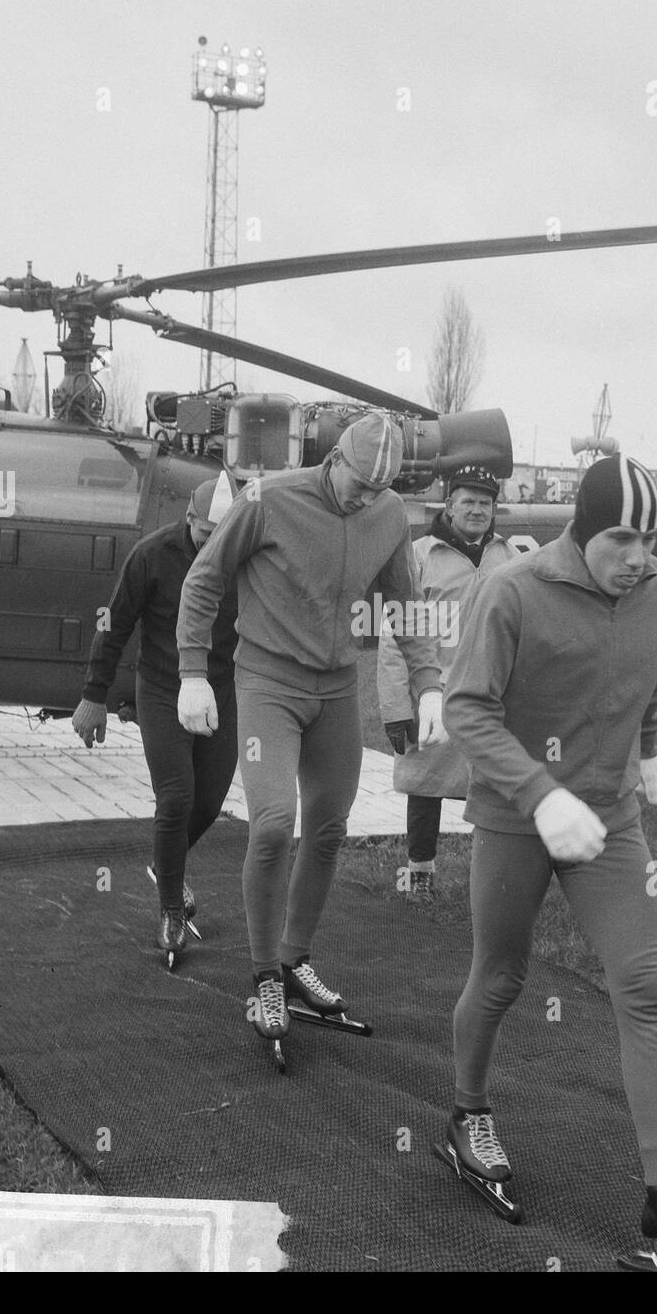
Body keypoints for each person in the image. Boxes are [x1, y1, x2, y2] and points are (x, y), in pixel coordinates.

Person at [440, 452, 657, 1263]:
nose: (637, 557)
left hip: (609, 816)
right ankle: (469, 1113)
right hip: (515, 814)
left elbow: (655, 672)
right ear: (581, 529)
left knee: (645, 986)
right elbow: (465, 707)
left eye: (649, 538)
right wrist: (542, 795)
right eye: (620, 538)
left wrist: (648, 746)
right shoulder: (509, 591)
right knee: (500, 975)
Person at [176, 412, 444, 1044]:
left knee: (328, 827)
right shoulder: (268, 499)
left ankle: (295, 959)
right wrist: (192, 671)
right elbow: (204, 579)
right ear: (335, 460)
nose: (364, 498)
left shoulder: (385, 516)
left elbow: (405, 606)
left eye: (380, 490)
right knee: (272, 824)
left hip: (336, 687)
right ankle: (264, 970)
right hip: (268, 682)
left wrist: (429, 684)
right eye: (358, 482)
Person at [73, 472, 239, 963]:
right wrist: (93, 696)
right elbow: (114, 622)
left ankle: (164, 863)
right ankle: (171, 908)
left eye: (225, 538)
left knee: (209, 800)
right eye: (208, 536)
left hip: (221, 688)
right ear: (190, 518)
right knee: (176, 798)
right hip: (165, 686)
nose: (215, 548)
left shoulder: (245, 555)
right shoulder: (152, 554)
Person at [376, 463, 517, 898]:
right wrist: (398, 707)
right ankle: (419, 873)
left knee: (494, 787)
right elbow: (393, 637)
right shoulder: (419, 556)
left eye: (485, 503)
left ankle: (490, 880)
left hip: (492, 694)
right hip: (432, 688)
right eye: (468, 502)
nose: (477, 510)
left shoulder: (509, 558)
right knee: (426, 781)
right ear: (450, 505)